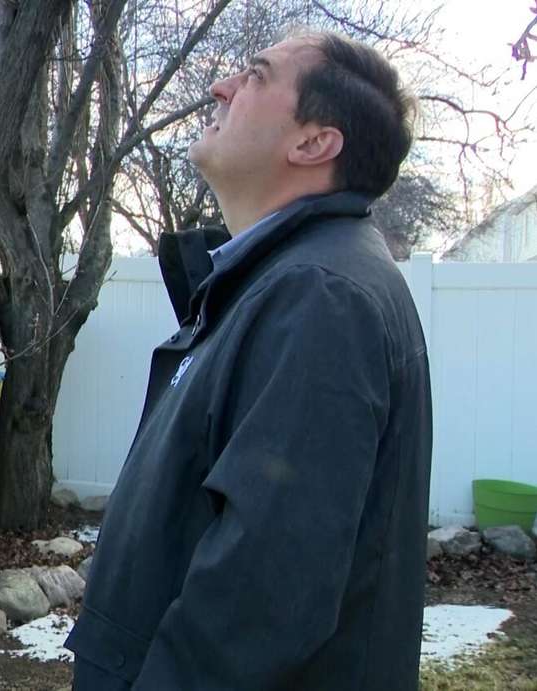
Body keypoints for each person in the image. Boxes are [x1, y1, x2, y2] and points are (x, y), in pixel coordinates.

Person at [66, 31, 433, 690]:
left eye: (256, 76)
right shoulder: (281, 281)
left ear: (313, 143)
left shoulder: (321, 298)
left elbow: (263, 597)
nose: (220, 88)